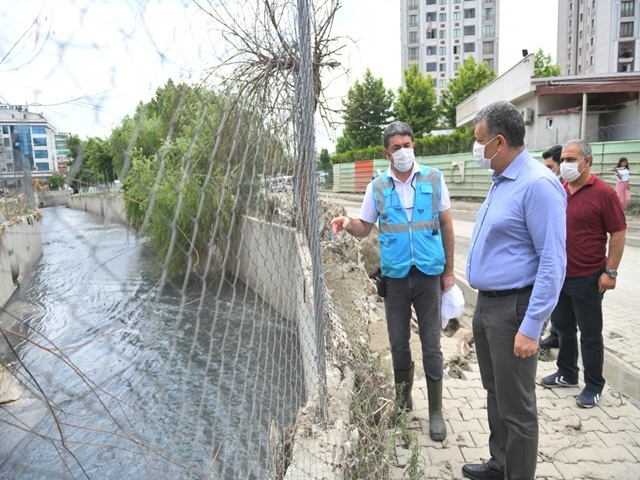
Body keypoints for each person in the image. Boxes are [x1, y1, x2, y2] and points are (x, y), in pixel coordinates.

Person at [330, 121, 455, 441]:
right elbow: (364, 226)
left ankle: (436, 412)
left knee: (431, 345)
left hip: (428, 275)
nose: (403, 151)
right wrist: (347, 222)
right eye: (396, 147)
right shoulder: (378, 187)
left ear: (415, 146)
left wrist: (450, 271)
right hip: (396, 278)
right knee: (399, 343)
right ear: (387, 152)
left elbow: (446, 225)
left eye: (408, 145)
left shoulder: (434, 178)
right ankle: (402, 400)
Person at [463, 101, 567, 480]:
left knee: (518, 408)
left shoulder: (538, 185)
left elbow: (554, 263)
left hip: (514, 310)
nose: (477, 148)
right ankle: (500, 464)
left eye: (480, 141)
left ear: (499, 141)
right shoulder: (501, 179)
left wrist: (532, 325)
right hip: (488, 307)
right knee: (496, 394)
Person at [541, 140, 626, 408]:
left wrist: (610, 271)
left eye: (569, 159)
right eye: (563, 159)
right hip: (560, 277)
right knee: (564, 329)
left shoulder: (604, 194)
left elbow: (619, 232)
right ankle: (567, 372)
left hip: (589, 278)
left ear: (586, 161)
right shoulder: (560, 189)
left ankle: (594, 384)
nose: (564, 165)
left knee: (590, 333)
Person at [539, 144, 563, 349]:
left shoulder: (554, 192)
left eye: (550, 166)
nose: (547, 171)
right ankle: (554, 335)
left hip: (576, 269)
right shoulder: (549, 188)